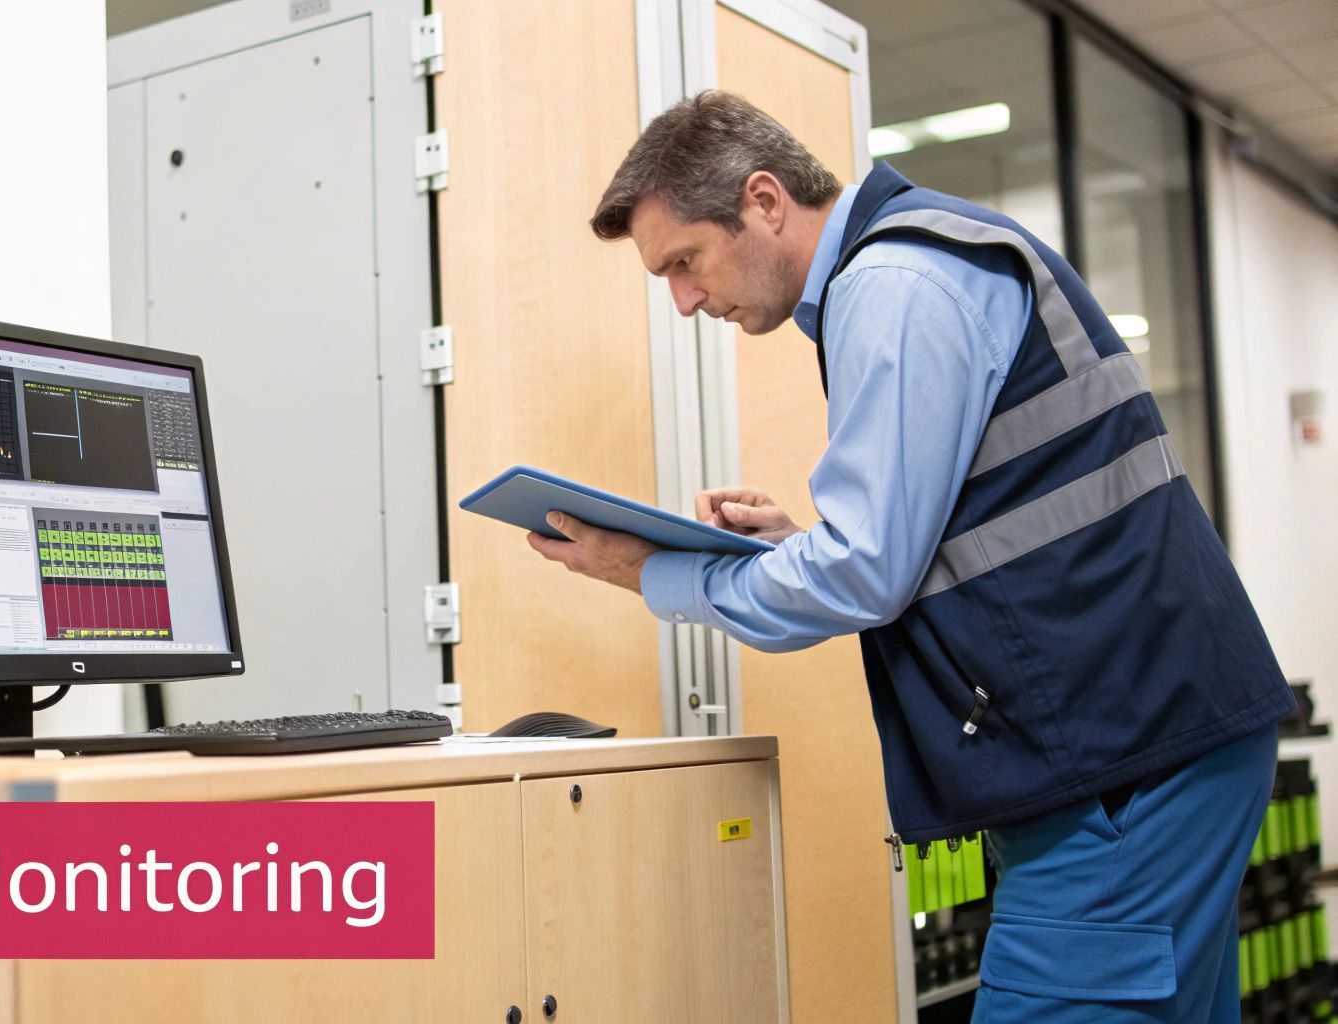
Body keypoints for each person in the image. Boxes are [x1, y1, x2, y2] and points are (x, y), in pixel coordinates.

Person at [529, 90, 1294, 1022]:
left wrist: (650, 571)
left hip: (1124, 762)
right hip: (1152, 732)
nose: (685, 301)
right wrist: (799, 546)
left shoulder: (895, 285)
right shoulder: (917, 264)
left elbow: (868, 574)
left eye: (684, 262)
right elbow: (963, 532)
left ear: (764, 201)